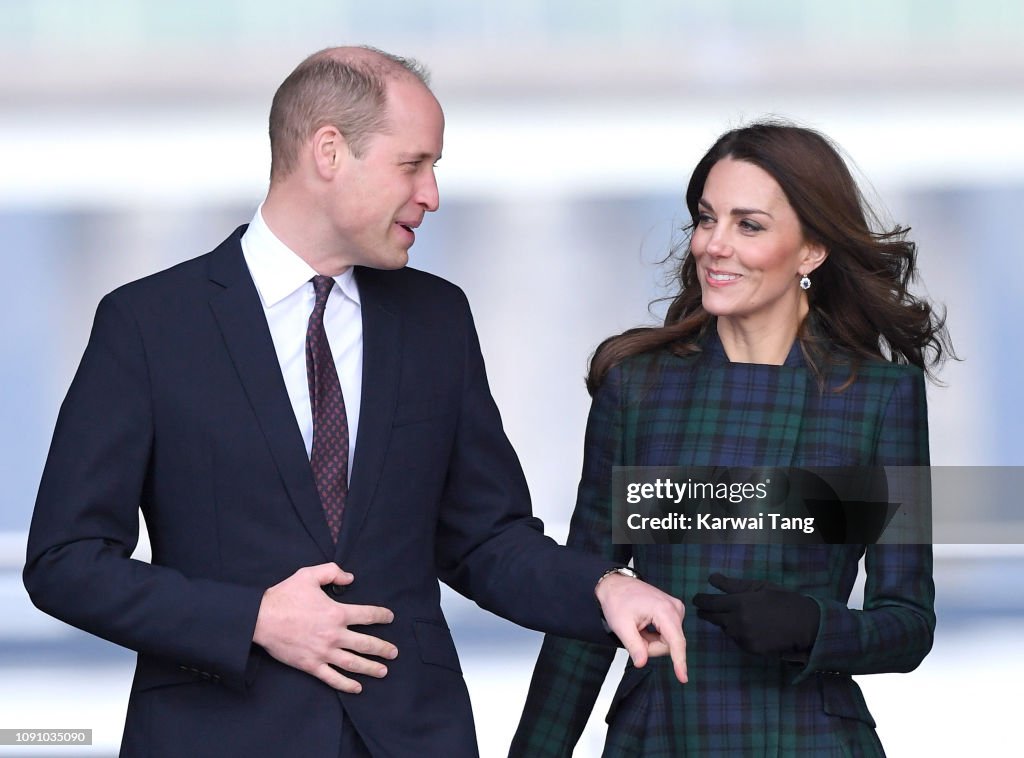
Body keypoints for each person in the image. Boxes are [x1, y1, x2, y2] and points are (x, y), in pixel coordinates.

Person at [23, 46, 687, 758]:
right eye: (413, 164)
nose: (431, 194)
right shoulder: (150, 324)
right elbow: (66, 560)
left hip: (411, 736)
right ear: (329, 152)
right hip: (215, 733)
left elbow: (486, 539)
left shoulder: (437, 319)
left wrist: (603, 589)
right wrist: (251, 618)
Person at [511, 121, 951, 757]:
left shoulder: (878, 399)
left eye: (749, 225)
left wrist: (814, 627)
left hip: (811, 740)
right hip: (660, 734)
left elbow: (909, 623)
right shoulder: (638, 390)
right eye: (705, 219)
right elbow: (585, 609)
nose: (714, 245)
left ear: (811, 250)